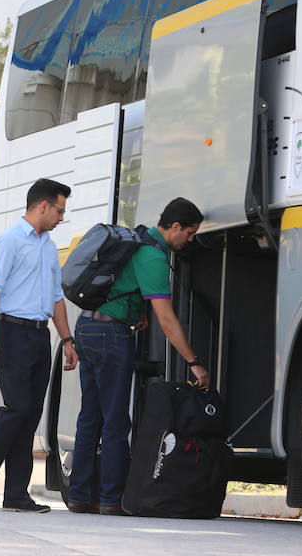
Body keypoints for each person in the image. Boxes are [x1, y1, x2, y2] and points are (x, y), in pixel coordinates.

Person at [66, 197, 210, 516]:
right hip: (110, 335)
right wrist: (193, 362)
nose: (189, 240)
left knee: (90, 417)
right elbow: (167, 319)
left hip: (87, 327)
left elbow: (125, 284)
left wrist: (136, 311)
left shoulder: (139, 239)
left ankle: (79, 495)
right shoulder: (153, 256)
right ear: (175, 227)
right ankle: (111, 499)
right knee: (116, 421)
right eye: (189, 233)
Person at [0, 178, 78, 513]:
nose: (61, 217)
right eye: (59, 210)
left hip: (39, 335)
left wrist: (68, 339)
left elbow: (57, 298)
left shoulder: (48, 246)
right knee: (17, 407)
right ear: (43, 205)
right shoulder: (10, 241)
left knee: (30, 415)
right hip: (10, 332)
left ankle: (16, 494)